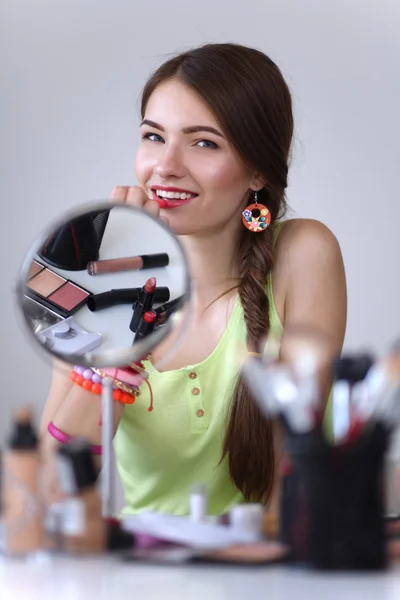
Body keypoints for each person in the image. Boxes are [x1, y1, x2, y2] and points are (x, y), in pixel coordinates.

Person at [40, 43, 347, 518]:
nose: (165, 165)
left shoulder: (303, 253)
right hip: (140, 581)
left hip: (268, 577)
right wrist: (119, 338)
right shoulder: (93, 280)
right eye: (153, 136)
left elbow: (291, 488)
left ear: (258, 170)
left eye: (204, 142)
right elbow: (52, 493)